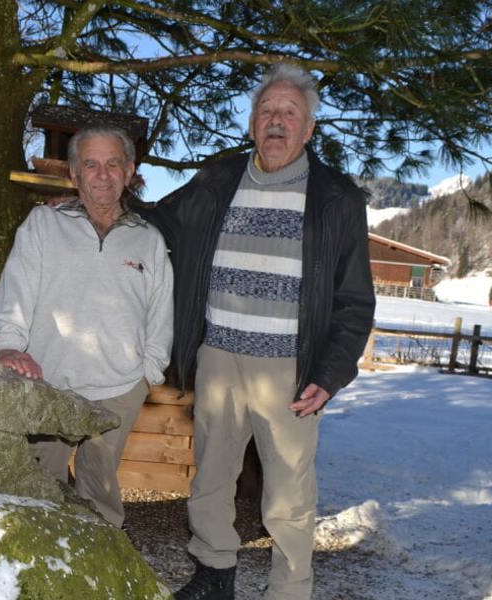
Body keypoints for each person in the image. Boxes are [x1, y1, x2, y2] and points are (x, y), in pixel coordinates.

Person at [135, 63, 376, 600]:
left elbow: (355, 301)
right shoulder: (219, 180)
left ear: (309, 128)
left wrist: (331, 374)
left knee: (288, 496)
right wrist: (109, 205)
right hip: (218, 355)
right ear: (250, 124)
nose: (276, 121)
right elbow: (160, 224)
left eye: (289, 112)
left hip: (289, 369)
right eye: (266, 110)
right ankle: (214, 574)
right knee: (211, 479)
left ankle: (289, 591)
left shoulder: (336, 200)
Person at [0, 125, 173, 528]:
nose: (102, 174)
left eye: (113, 164)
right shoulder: (43, 224)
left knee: (99, 486)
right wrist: (9, 345)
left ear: (130, 172)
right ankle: (44, 563)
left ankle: (102, 563)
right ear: (74, 173)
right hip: (47, 381)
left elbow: (161, 312)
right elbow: (14, 291)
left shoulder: (149, 240)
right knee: (38, 485)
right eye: (90, 164)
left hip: (119, 388)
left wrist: (149, 371)